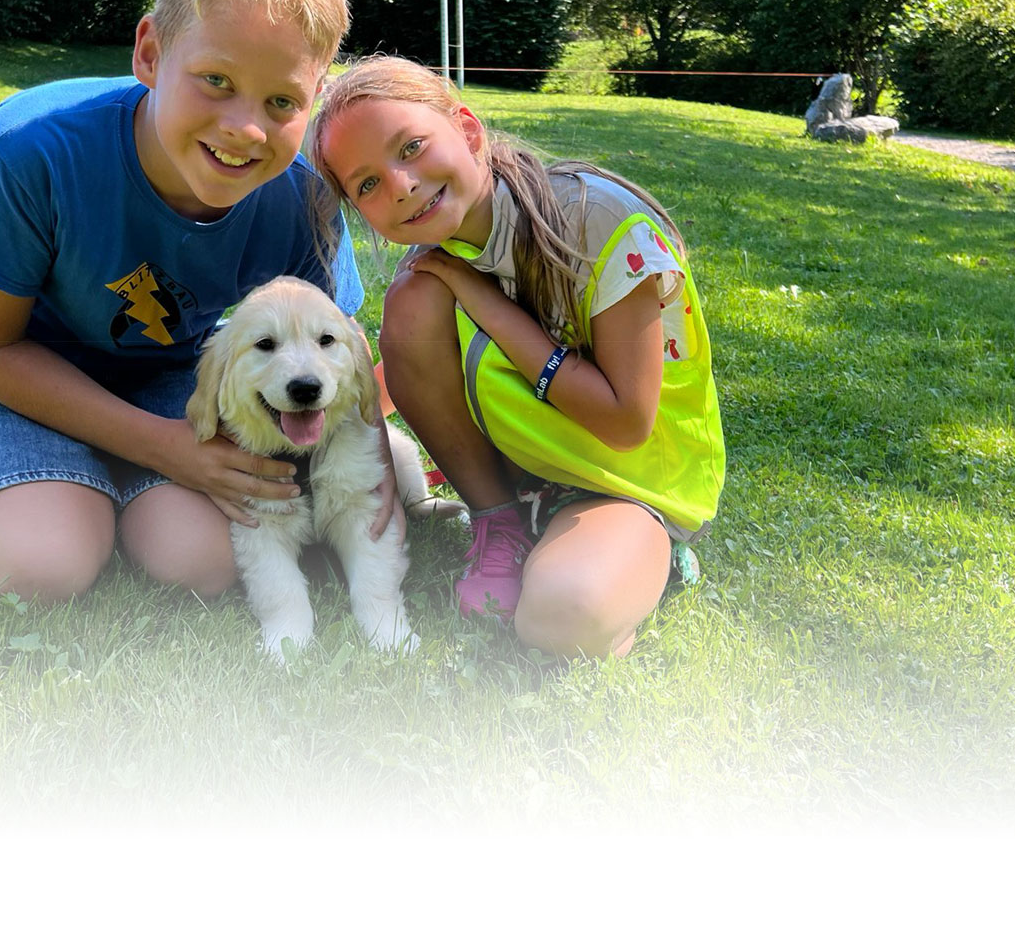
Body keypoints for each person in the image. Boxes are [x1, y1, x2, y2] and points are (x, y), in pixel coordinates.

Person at [0, 0, 371, 603]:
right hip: (21, 371)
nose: (245, 128)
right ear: (150, 53)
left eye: (282, 100)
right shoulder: (27, 148)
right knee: (35, 568)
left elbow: (335, 348)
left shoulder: (303, 196)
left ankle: (108, 477)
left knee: (204, 560)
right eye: (216, 80)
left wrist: (373, 478)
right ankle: (37, 474)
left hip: (171, 370)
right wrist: (163, 448)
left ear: (315, 97)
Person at [308, 56, 725, 659]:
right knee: (414, 295)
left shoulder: (597, 220)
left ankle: (655, 554)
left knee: (561, 616)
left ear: (468, 130)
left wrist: (483, 300)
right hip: (529, 477)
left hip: (626, 482)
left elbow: (626, 421)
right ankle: (499, 521)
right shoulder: (437, 261)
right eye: (367, 184)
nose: (400, 184)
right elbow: (406, 376)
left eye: (412, 147)